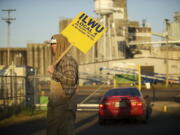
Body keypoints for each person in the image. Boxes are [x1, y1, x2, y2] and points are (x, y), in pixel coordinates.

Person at [47, 34, 79, 135]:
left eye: (54, 44)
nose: (52, 46)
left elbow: (71, 80)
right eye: (51, 44)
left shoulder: (67, 60)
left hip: (65, 105)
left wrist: (54, 72)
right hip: (56, 104)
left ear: (61, 44)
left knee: (64, 132)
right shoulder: (58, 61)